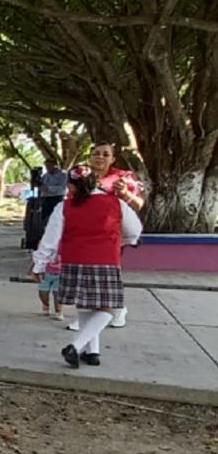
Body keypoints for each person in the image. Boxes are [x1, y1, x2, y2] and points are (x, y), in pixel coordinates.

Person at [32, 165, 142, 368]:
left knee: (84, 305)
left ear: (72, 186)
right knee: (106, 309)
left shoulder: (64, 207)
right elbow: (134, 231)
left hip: (74, 259)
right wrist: (118, 241)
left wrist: (39, 264)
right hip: (106, 260)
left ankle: (91, 352)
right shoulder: (116, 203)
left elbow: (50, 240)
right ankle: (78, 347)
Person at [67, 141, 145, 330]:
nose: (100, 157)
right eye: (96, 153)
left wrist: (125, 193)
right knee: (86, 275)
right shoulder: (81, 176)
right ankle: (88, 314)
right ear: (89, 157)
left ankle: (116, 309)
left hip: (110, 235)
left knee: (107, 275)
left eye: (105, 154)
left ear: (113, 158)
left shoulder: (122, 178)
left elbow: (138, 205)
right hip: (83, 233)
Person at [34, 252, 64, 321]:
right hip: (46, 273)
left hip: (60, 274)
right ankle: (45, 305)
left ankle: (58, 311)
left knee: (57, 294)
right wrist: (35, 270)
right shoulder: (47, 247)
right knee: (43, 292)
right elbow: (38, 257)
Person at [39, 158, 68, 224]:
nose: (48, 168)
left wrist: (48, 188)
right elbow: (40, 185)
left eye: (49, 166)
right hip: (45, 199)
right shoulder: (45, 175)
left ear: (55, 165)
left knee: (56, 216)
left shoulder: (63, 175)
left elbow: (62, 188)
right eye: (46, 166)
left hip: (57, 198)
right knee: (43, 216)